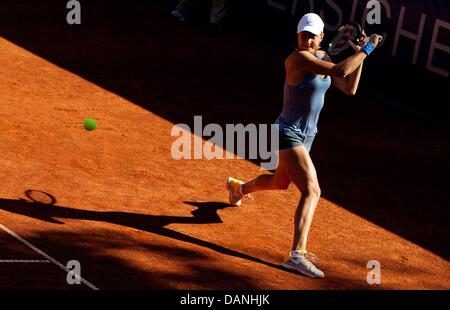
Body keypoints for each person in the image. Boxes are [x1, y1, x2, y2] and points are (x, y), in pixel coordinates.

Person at [226, 13, 381, 278]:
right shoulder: (297, 59)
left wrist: (361, 57)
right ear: (297, 37)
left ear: (322, 37)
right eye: (303, 35)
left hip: (307, 136)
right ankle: (297, 255)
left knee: (279, 183)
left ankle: (238, 188)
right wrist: (368, 48)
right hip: (286, 133)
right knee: (312, 190)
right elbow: (340, 70)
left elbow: (349, 86)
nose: (307, 39)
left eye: (312, 35)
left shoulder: (324, 58)